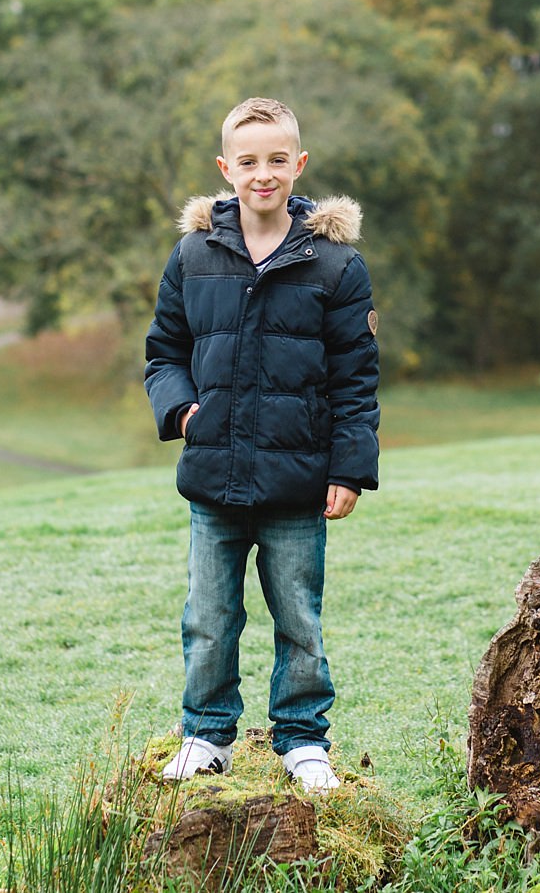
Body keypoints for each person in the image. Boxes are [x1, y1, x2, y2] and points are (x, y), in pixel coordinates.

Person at [145, 96, 380, 792]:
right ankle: (206, 732)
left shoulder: (336, 266)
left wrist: (349, 468)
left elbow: (356, 378)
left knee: (299, 621)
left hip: (297, 482)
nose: (263, 173)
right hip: (213, 480)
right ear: (227, 168)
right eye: (248, 161)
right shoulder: (193, 255)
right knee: (210, 619)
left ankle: (303, 739)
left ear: (298, 164)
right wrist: (183, 410)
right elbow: (163, 350)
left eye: (278, 159)